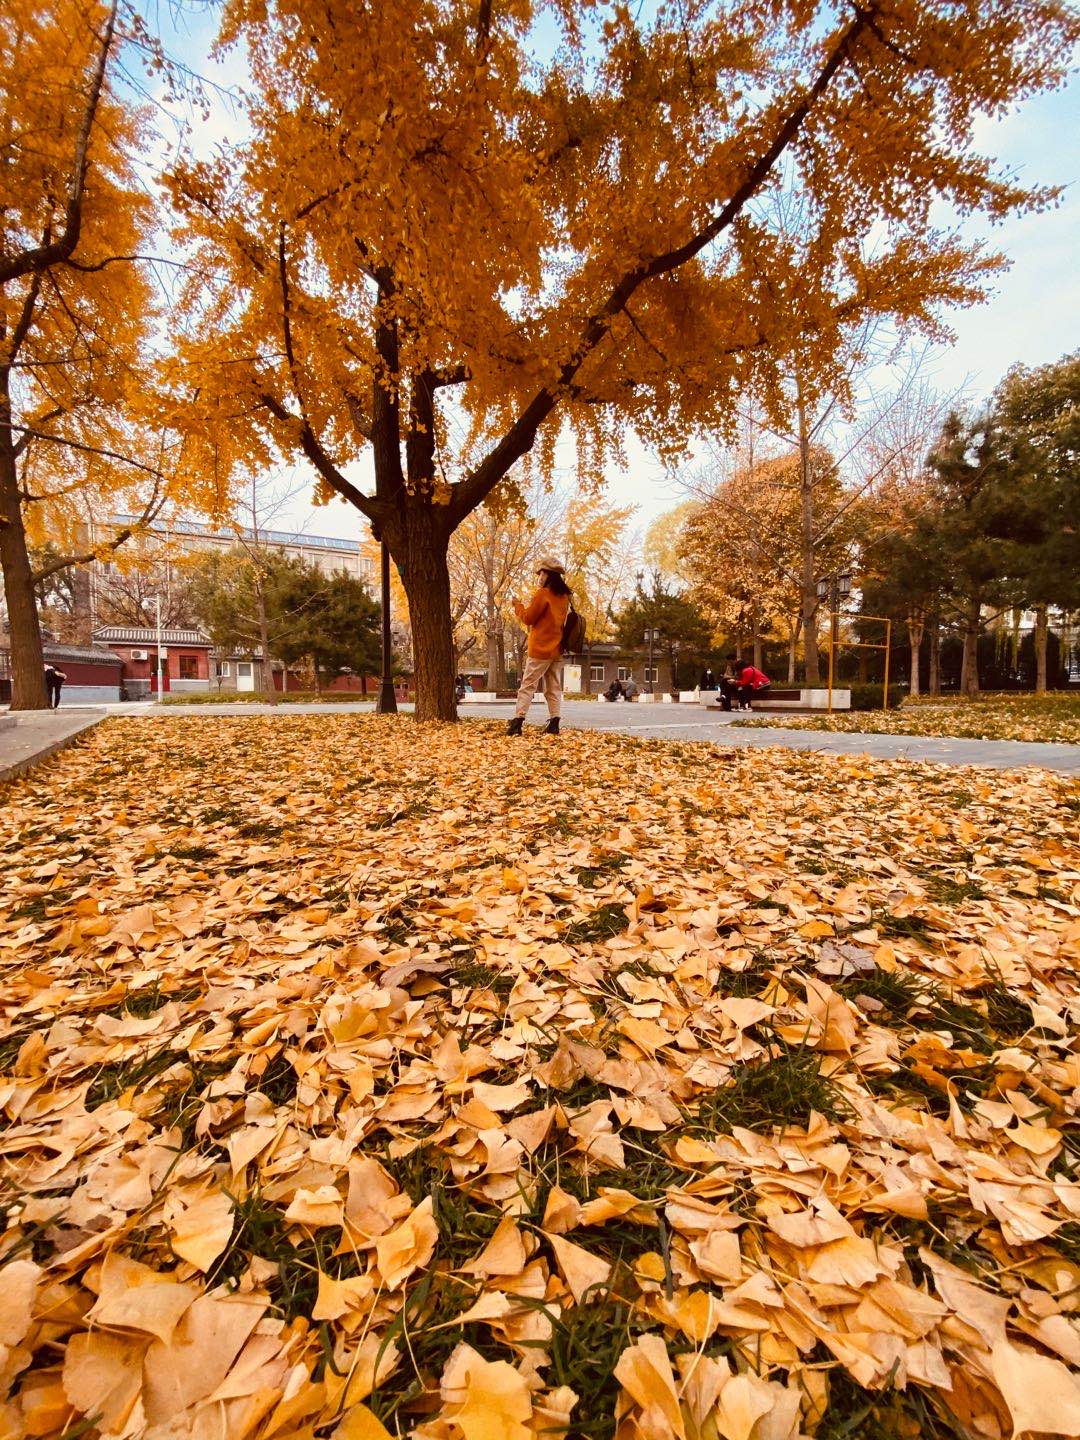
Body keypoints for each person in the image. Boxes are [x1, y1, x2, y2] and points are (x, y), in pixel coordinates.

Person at [507, 559, 571, 736]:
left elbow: (528, 618)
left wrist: (517, 605)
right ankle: (554, 723)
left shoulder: (543, 594)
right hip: (557, 649)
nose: (539, 576)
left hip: (541, 649)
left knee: (527, 685)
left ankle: (517, 723)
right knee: (553, 688)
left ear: (549, 575)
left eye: (542, 573)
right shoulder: (564, 597)